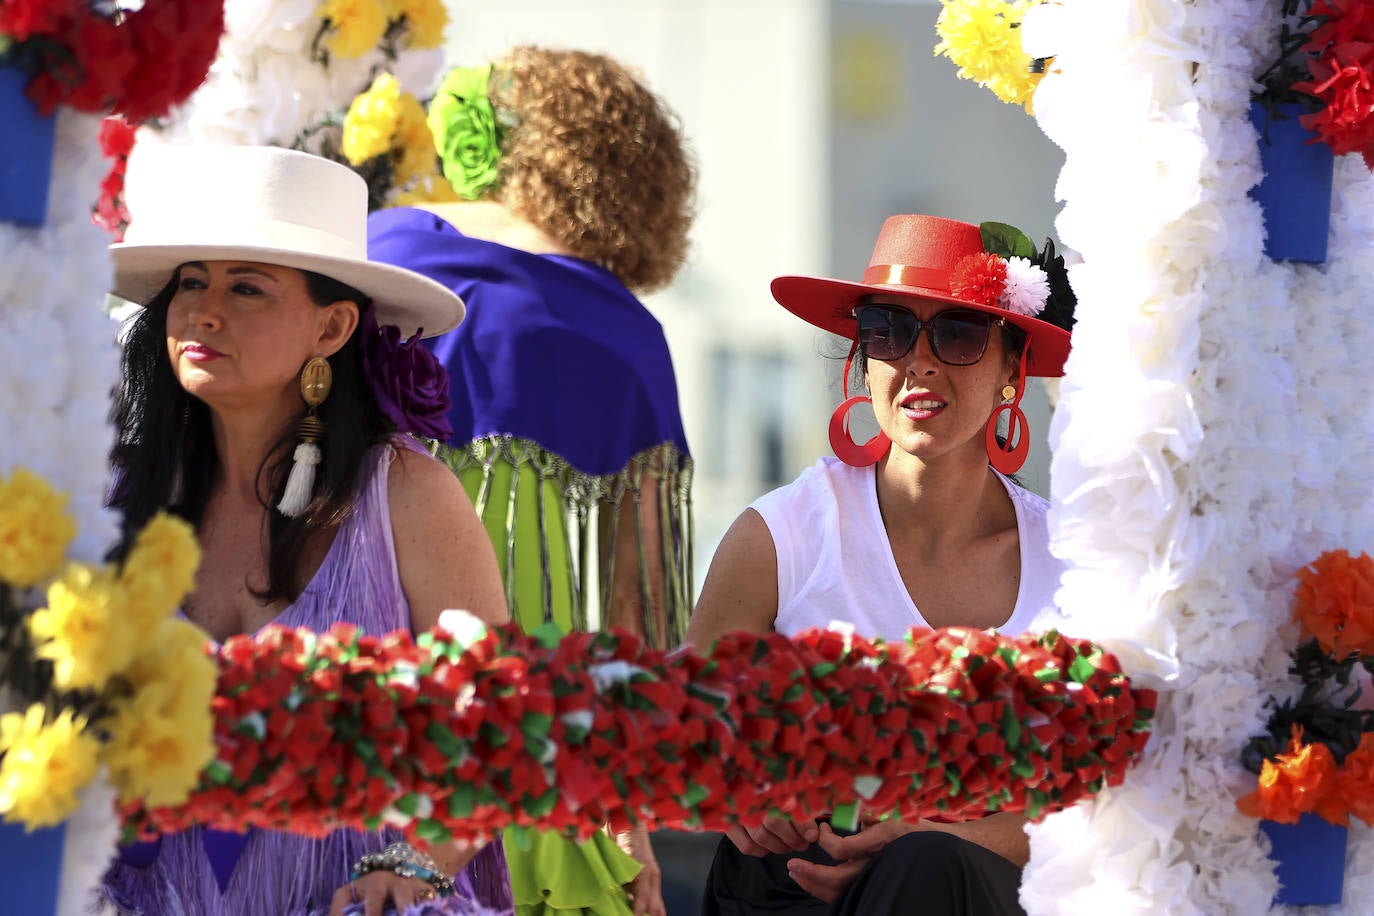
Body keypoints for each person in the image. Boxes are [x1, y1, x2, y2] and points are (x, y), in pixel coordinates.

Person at [98, 144, 514, 916]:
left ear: (332, 328)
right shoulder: (112, 496)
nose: (203, 310)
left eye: (246, 287)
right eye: (192, 281)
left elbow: (494, 723)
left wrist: (414, 860)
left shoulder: (408, 496)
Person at [367, 45, 698, 916]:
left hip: (359, 703)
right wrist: (633, 823)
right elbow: (633, 619)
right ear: (631, 183)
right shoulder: (626, 335)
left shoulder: (374, 258)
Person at [687, 214, 1076, 916]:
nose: (919, 361)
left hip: (977, 892)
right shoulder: (778, 538)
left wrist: (921, 840)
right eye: (888, 331)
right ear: (864, 361)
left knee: (927, 870)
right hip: (793, 894)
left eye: (958, 334)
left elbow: (1098, 799)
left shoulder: (1073, 565)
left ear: (1013, 370)